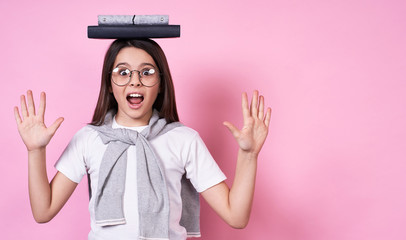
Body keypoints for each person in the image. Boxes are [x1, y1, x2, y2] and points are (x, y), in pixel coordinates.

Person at [14, 39, 271, 240]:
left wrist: (249, 155)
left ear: (160, 83)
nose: (134, 81)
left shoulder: (183, 139)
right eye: (123, 72)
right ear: (110, 83)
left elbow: (236, 217)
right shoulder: (89, 139)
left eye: (146, 72)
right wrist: (35, 151)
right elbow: (43, 211)